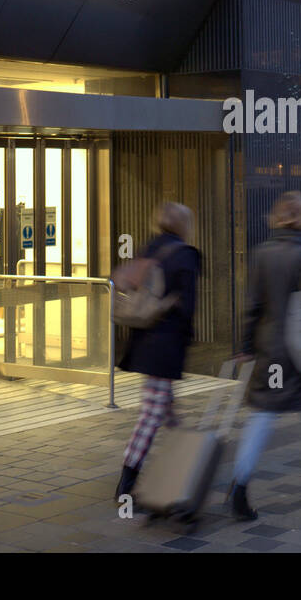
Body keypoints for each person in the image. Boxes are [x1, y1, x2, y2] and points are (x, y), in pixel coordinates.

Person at [228, 190, 301, 522]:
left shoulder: (261, 254)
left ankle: (240, 484)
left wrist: (246, 345)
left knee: (263, 413)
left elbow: (252, 306)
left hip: (271, 350)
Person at [114, 202, 200, 500]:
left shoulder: (149, 250)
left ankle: (179, 468)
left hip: (144, 340)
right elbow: (187, 307)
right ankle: (127, 480)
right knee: (152, 414)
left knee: (167, 409)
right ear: (184, 224)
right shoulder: (184, 255)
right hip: (165, 344)